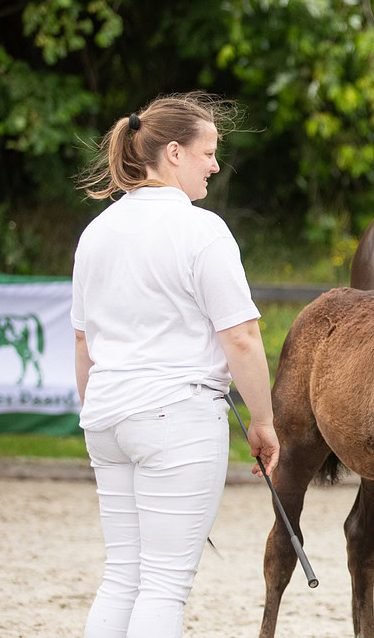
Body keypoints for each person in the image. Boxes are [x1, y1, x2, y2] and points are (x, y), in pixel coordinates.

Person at [72, 93, 280, 638]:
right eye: (208, 152)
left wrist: (96, 411)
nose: (215, 164)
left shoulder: (96, 232)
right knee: (164, 584)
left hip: (108, 416)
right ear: (173, 153)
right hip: (175, 417)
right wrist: (263, 421)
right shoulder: (200, 230)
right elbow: (241, 335)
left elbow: (82, 340)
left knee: (122, 576)